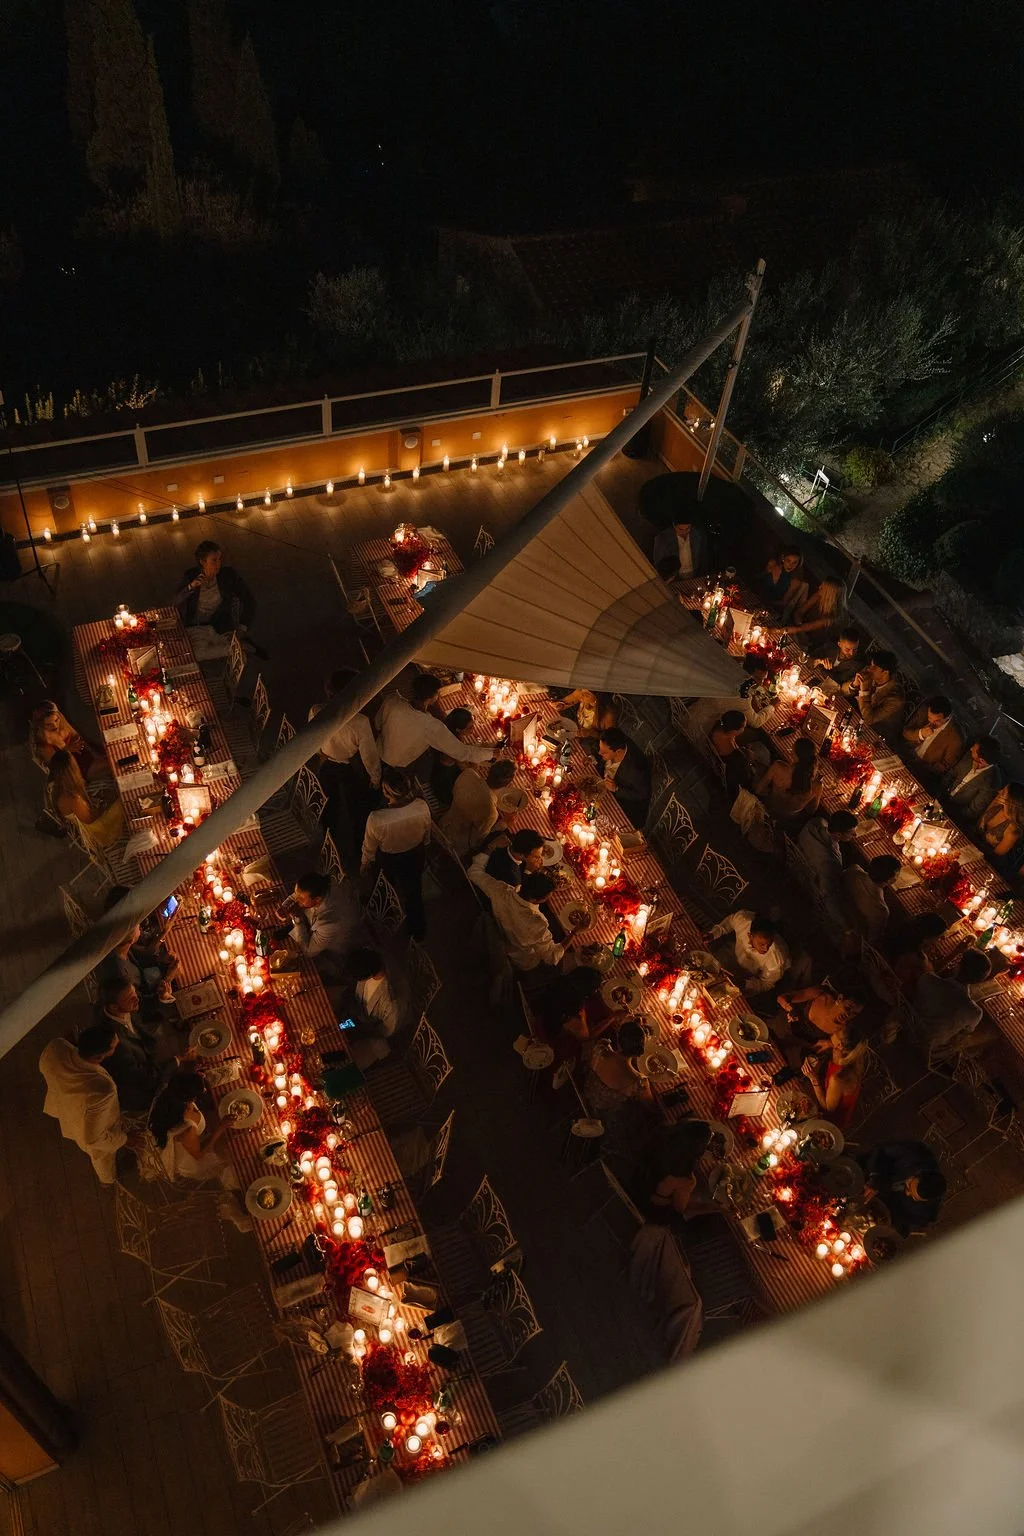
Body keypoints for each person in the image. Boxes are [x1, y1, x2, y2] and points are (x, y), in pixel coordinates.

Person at [39, 1024, 140, 1184]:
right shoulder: (102, 1089)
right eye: (114, 1046)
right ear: (99, 1057)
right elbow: (94, 1139)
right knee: (102, 1157)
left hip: (65, 1107)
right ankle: (107, 1180)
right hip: (85, 1125)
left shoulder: (56, 1046)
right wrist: (125, 1139)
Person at [310, 668, 381, 861]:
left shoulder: (317, 710)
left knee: (328, 805)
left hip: (327, 764)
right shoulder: (360, 722)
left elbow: (313, 741)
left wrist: (322, 753)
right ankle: (359, 850)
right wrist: (375, 779)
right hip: (350, 768)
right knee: (356, 808)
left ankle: (329, 844)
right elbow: (369, 755)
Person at [361, 768, 432, 940]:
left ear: (386, 792)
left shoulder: (377, 819)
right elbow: (427, 832)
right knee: (413, 892)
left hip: (389, 860)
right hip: (415, 854)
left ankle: (386, 916)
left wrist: (365, 864)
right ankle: (417, 933)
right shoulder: (421, 806)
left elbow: (369, 847)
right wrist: (426, 845)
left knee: (385, 888)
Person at [376, 674, 495, 776]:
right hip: (400, 766)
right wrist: (492, 753)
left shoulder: (392, 699)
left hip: (378, 749)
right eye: (438, 693)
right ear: (432, 697)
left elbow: (377, 724)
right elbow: (462, 752)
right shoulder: (431, 726)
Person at [468, 855, 565, 971]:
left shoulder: (501, 890)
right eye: (547, 898)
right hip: (522, 959)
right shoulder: (537, 924)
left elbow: (474, 873)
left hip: (502, 934)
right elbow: (551, 957)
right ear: (535, 899)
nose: (547, 899)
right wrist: (575, 932)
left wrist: (485, 854)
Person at [148, 1069, 239, 1189]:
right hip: (192, 1159)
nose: (205, 1089)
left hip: (187, 1140)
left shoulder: (168, 1092)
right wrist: (220, 1128)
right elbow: (199, 1155)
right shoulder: (187, 1127)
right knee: (233, 1154)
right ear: (189, 1099)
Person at [173, 539, 263, 659]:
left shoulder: (228, 575)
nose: (218, 564)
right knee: (191, 654)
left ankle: (235, 647)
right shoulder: (191, 576)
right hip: (195, 628)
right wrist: (191, 587)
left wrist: (241, 628)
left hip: (218, 628)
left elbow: (249, 600)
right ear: (202, 562)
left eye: (219, 559)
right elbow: (176, 601)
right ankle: (235, 648)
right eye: (214, 560)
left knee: (197, 654)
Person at [97, 886, 179, 1009]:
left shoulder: (117, 942)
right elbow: (143, 1003)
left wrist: (159, 958)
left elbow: (146, 952)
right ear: (130, 938)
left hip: (145, 971)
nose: (140, 926)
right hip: (149, 992)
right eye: (138, 924)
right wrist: (167, 979)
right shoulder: (121, 977)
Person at [277, 871, 362, 982]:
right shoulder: (321, 887)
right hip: (312, 929)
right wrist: (285, 906)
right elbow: (297, 895)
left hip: (331, 952)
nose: (296, 900)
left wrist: (298, 919)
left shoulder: (329, 922)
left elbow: (308, 951)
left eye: (301, 899)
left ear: (317, 899)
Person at [95, 977, 164, 1113]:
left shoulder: (119, 1008)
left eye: (134, 992)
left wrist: (160, 996)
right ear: (114, 1007)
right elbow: (143, 1078)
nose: (136, 998)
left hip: (146, 1057)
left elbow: (140, 1002)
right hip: (141, 1092)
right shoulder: (115, 1044)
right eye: (130, 998)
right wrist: (176, 1061)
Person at [857, 1140, 947, 1237]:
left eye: (913, 1197)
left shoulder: (926, 1212)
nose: (907, 1193)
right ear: (918, 1173)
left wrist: (886, 1222)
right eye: (909, 1186)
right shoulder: (916, 1154)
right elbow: (880, 1151)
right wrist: (875, 1178)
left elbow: (903, 1229)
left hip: (877, 1211)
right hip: (867, 1175)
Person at [914, 951, 994, 1056]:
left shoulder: (928, 980)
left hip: (905, 1027)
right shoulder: (975, 1013)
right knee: (988, 1033)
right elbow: (961, 1037)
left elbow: (928, 971)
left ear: (958, 967)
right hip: (927, 1050)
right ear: (978, 981)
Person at [46, 749, 125, 852]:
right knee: (123, 800)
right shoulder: (73, 799)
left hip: (88, 812)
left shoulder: (58, 786)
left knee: (115, 791)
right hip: (98, 831)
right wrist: (105, 804)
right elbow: (90, 819)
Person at [801, 1016, 869, 1128]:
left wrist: (813, 1078)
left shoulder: (839, 1078)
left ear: (840, 1045)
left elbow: (828, 1108)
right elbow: (838, 1045)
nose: (831, 1033)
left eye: (834, 1033)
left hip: (831, 1121)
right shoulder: (850, 1054)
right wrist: (831, 1043)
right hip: (828, 1089)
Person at [440, 759, 515, 857]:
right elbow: (476, 842)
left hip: (444, 823)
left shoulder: (468, 774)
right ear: (508, 785)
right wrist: (502, 824)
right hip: (456, 845)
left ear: (489, 770)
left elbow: (455, 792)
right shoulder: (491, 812)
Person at [339, 946, 402, 1063]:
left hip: (373, 1033)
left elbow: (387, 1031)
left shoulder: (389, 1002)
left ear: (368, 975)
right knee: (336, 1027)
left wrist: (360, 1033)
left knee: (345, 1058)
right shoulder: (370, 959)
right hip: (358, 1017)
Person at [707, 910, 790, 995]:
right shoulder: (743, 920)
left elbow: (765, 984)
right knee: (707, 970)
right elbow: (729, 923)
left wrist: (745, 984)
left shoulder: (776, 960)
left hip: (748, 976)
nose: (766, 949)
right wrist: (712, 934)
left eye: (769, 944)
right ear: (750, 936)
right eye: (762, 944)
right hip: (732, 954)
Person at [582, 1018, 653, 1114]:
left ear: (618, 1041)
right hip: (604, 1114)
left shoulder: (601, 1048)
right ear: (640, 1052)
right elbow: (650, 1104)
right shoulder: (639, 1083)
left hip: (586, 1096)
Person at [797, 809, 859, 919]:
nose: (855, 835)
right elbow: (829, 895)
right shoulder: (831, 863)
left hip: (803, 852)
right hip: (810, 876)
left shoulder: (815, 823)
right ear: (838, 834)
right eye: (851, 833)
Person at [755, 737, 822, 822]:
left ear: (795, 755)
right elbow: (811, 810)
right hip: (790, 820)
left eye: (792, 751)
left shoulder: (778, 767)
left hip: (769, 810)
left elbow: (759, 789)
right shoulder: (817, 786)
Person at [841, 854, 901, 947]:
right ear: (891, 880)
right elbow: (873, 939)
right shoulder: (880, 910)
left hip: (836, 913)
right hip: (851, 938)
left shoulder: (853, 870)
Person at [596, 728, 652, 826]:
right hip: (602, 787)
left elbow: (643, 795)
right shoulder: (610, 743)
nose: (599, 753)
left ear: (618, 752)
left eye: (604, 752)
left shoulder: (636, 770)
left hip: (622, 805)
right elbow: (600, 753)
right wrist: (592, 758)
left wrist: (616, 788)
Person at [884, 911, 948, 997]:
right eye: (938, 938)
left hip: (882, 970)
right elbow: (931, 978)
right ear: (928, 937)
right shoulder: (919, 958)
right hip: (890, 991)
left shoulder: (901, 932)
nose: (937, 941)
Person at [29, 700, 98, 778]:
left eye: (56, 720)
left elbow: (79, 738)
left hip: (85, 757)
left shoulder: (62, 721)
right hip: (74, 771)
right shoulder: (43, 741)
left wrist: (96, 754)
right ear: (41, 725)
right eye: (48, 724)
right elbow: (56, 767)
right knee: (107, 764)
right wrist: (66, 750)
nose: (55, 726)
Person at [901, 695, 965, 776]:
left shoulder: (956, 738)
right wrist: (920, 733)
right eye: (929, 718)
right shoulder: (925, 710)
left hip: (922, 771)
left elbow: (944, 767)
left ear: (947, 718)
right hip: (904, 754)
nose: (931, 722)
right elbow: (906, 732)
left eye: (937, 721)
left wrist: (919, 766)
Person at [850, 650, 907, 740]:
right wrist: (854, 685)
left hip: (876, 734)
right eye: (871, 665)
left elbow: (869, 719)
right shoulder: (872, 673)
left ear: (885, 673)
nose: (869, 669)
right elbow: (847, 691)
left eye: (875, 667)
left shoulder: (895, 699)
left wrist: (864, 690)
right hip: (858, 717)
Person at [946, 736, 1003, 822]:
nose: (971, 749)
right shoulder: (969, 757)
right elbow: (951, 774)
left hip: (953, 813)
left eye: (974, 749)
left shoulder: (992, 782)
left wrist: (947, 811)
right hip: (942, 797)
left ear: (982, 760)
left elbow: (972, 811)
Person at [776, 577, 848, 645]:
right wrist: (799, 624)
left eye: (822, 588)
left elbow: (803, 629)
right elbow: (800, 612)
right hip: (801, 629)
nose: (819, 587)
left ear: (829, 594)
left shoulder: (831, 617)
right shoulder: (818, 595)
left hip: (814, 643)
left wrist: (776, 631)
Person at [432, 708, 476, 807]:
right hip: (446, 786)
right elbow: (469, 771)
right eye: (470, 727)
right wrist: (477, 761)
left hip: (437, 769)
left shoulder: (447, 730)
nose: (473, 729)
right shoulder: (455, 746)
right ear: (458, 729)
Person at [977, 783, 1024, 873]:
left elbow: (993, 857)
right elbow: (977, 825)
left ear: (1012, 801)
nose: (999, 791)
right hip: (969, 845)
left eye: (1003, 792)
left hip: (982, 861)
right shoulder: (997, 807)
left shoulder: (1013, 830)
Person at [709, 711, 753, 796]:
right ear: (733, 731)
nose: (744, 729)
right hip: (736, 775)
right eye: (743, 727)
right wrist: (749, 758)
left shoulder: (720, 728)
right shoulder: (733, 752)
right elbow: (744, 775)